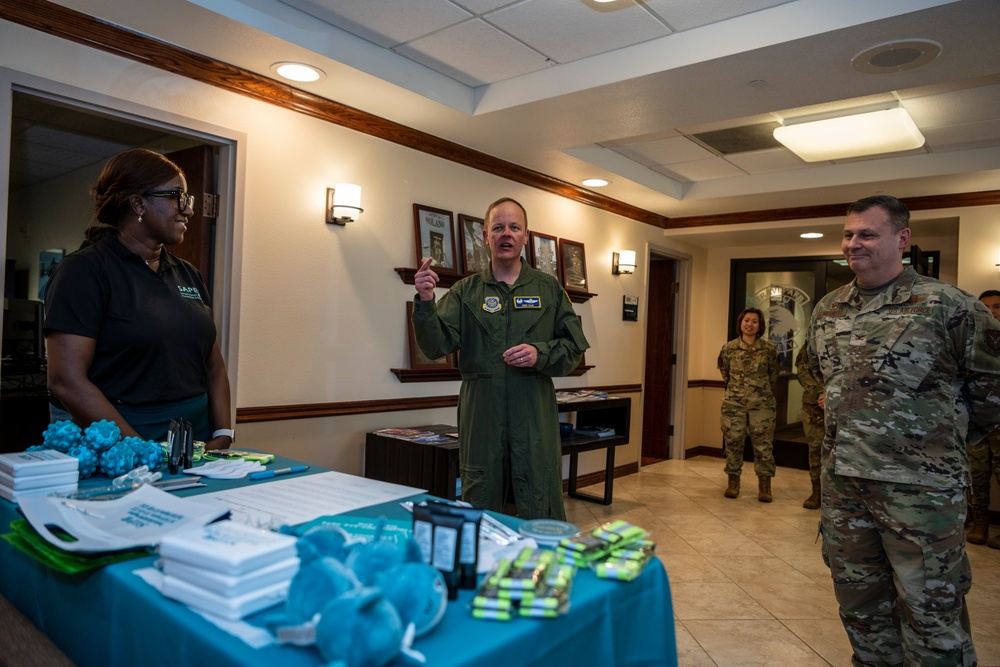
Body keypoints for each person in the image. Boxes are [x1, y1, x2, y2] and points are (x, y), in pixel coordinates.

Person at [804, 195, 1000, 666]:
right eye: (849, 234)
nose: (854, 244)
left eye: (867, 234)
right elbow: (816, 373)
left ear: (902, 239)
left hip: (923, 494)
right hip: (845, 488)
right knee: (860, 604)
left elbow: (992, 391)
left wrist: (937, 442)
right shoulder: (829, 308)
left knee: (931, 611)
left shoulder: (949, 306)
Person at [411, 197, 589, 520]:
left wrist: (540, 353)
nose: (506, 234)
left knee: (539, 503)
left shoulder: (549, 290)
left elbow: (575, 348)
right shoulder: (467, 292)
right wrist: (425, 302)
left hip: (534, 418)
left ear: (525, 235)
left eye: (514, 227)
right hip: (482, 420)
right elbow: (435, 345)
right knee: (479, 508)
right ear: (485, 236)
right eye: (498, 227)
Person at [44, 148, 233, 449]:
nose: (188, 210)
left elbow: (214, 364)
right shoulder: (84, 271)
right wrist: (140, 449)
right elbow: (66, 381)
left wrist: (224, 433)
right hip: (121, 439)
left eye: (188, 199)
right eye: (177, 197)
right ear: (138, 202)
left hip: (194, 439)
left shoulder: (188, 274)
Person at [717, 307, 778, 502]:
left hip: (762, 405)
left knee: (763, 446)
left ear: (760, 326)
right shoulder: (728, 348)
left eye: (754, 321)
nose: (749, 324)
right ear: (740, 323)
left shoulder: (769, 349)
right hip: (734, 404)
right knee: (733, 442)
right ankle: (733, 483)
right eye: (746, 320)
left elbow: (773, 375)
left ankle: (765, 487)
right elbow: (725, 373)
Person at [966, 289, 1000, 546]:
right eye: (986, 307)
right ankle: (980, 524)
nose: (991, 312)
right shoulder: (972, 341)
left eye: (997, 306)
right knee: (976, 475)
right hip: (977, 421)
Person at [795, 346, 823, 509]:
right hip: (814, 405)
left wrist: (832, 395)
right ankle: (816, 492)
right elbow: (802, 371)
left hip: (844, 404)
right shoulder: (811, 345)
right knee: (815, 450)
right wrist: (819, 393)